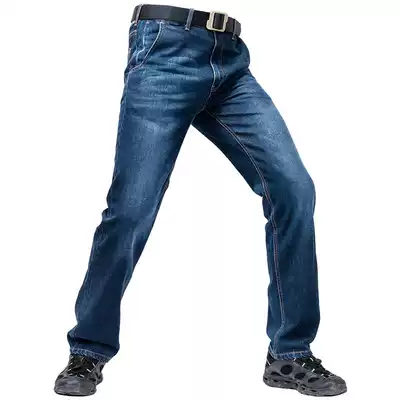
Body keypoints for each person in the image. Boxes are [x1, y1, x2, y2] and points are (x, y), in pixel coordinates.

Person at [54, 3, 346, 397]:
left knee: (294, 190)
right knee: (132, 208)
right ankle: (87, 349)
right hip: (164, 50)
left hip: (230, 59)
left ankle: (289, 354)